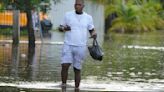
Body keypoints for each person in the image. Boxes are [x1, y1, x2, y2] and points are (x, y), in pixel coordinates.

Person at [58, 0, 97, 90]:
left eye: (79, 5)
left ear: (83, 6)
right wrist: (64, 28)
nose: (77, 6)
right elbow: (60, 27)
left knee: (77, 69)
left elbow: (92, 30)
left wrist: (94, 34)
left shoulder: (88, 17)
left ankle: (77, 88)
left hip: (81, 46)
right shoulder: (68, 15)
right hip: (68, 45)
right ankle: (63, 86)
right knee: (64, 65)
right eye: (75, 5)